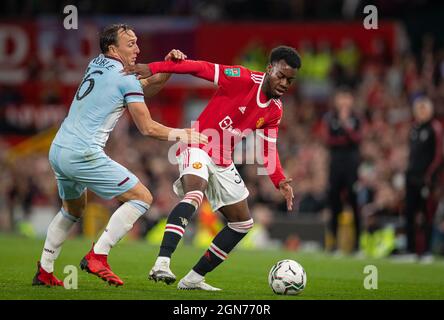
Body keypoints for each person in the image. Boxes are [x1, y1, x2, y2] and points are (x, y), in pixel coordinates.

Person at [32, 24, 207, 287]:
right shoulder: (125, 78)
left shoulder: (97, 63)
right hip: (82, 153)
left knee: (72, 210)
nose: (137, 49)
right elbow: (147, 127)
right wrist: (184, 134)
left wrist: (167, 69)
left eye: (137, 42)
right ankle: (98, 256)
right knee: (142, 198)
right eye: (131, 44)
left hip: (59, 149)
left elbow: (141, 88)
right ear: (113, 48)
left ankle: (44, 270)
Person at [125, 45, 300, 290]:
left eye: (289, 81)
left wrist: (279, 180)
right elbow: (200, 68)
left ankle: (194, 279)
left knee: (242, 224)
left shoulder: (274, 110)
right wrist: (152, 67)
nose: (283, 83)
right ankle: (162, 263)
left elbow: (267, 150)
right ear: (269, 69)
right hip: (198, 142)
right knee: (195, 194)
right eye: (280, 76)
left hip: (222, 159)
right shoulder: (243, 78)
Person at [321, 87, 362, 253]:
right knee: (334, 204)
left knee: (354, 204)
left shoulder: (356, 118)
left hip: (352, 167)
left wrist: (345, 127)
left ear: (351, 100)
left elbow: (358, 139)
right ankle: (333, 244)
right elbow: (328, 141)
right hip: (335, 166)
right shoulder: (330, 118)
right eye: (341, 98)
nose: (344, 101)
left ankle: (357, 245)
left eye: (347, 97)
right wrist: (344, 139)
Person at [404, 97, 443, 260]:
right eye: (418, 109)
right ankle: (410, 250)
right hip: (411, 177)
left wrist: (429, 176)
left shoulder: (435, 128)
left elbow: (439, 155)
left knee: (426, 214)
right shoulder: (414, 128)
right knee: (409, 213)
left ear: (430, 110)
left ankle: (426, 251)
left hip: (426, 179)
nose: (421, 112)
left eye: (424, 108)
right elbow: (412, 155)